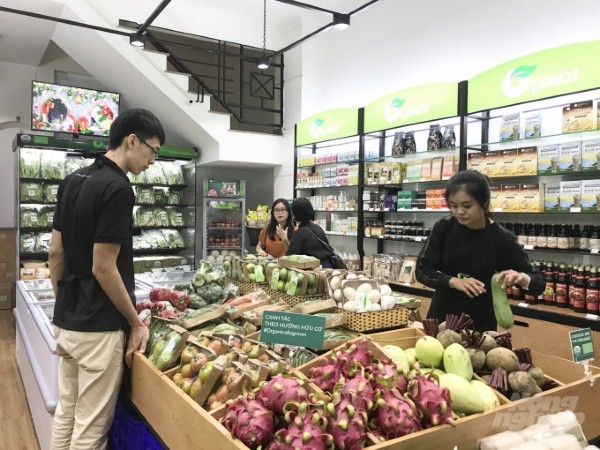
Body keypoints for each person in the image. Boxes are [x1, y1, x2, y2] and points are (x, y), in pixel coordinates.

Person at [48, 108, 165, 450]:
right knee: (91, 429)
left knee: (66, 414)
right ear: (132, 141)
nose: (153, 160)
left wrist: (64, 297)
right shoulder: (118, 188)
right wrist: (136, 323)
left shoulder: (72, 180)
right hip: (99, 328)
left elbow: (55, 253)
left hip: (67, 320)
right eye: (153, 150)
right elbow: (103, 266)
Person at [415, 170, 545, 332]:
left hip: (479, 324)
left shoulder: (502, 239)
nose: (459, 212)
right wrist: (454, 281)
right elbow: (422, 270)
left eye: (466, 206)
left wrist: (522, 278)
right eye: (453, 206)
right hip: (442, 317)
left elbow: (538, 283)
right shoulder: (444, 228)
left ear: (484, 203)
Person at [286, 197, 335, 268]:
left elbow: (291, 259)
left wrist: (284, 239)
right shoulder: (318, 228)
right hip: (328, 266)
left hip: (313, 270)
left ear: (295, 214)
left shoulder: (299, 234)